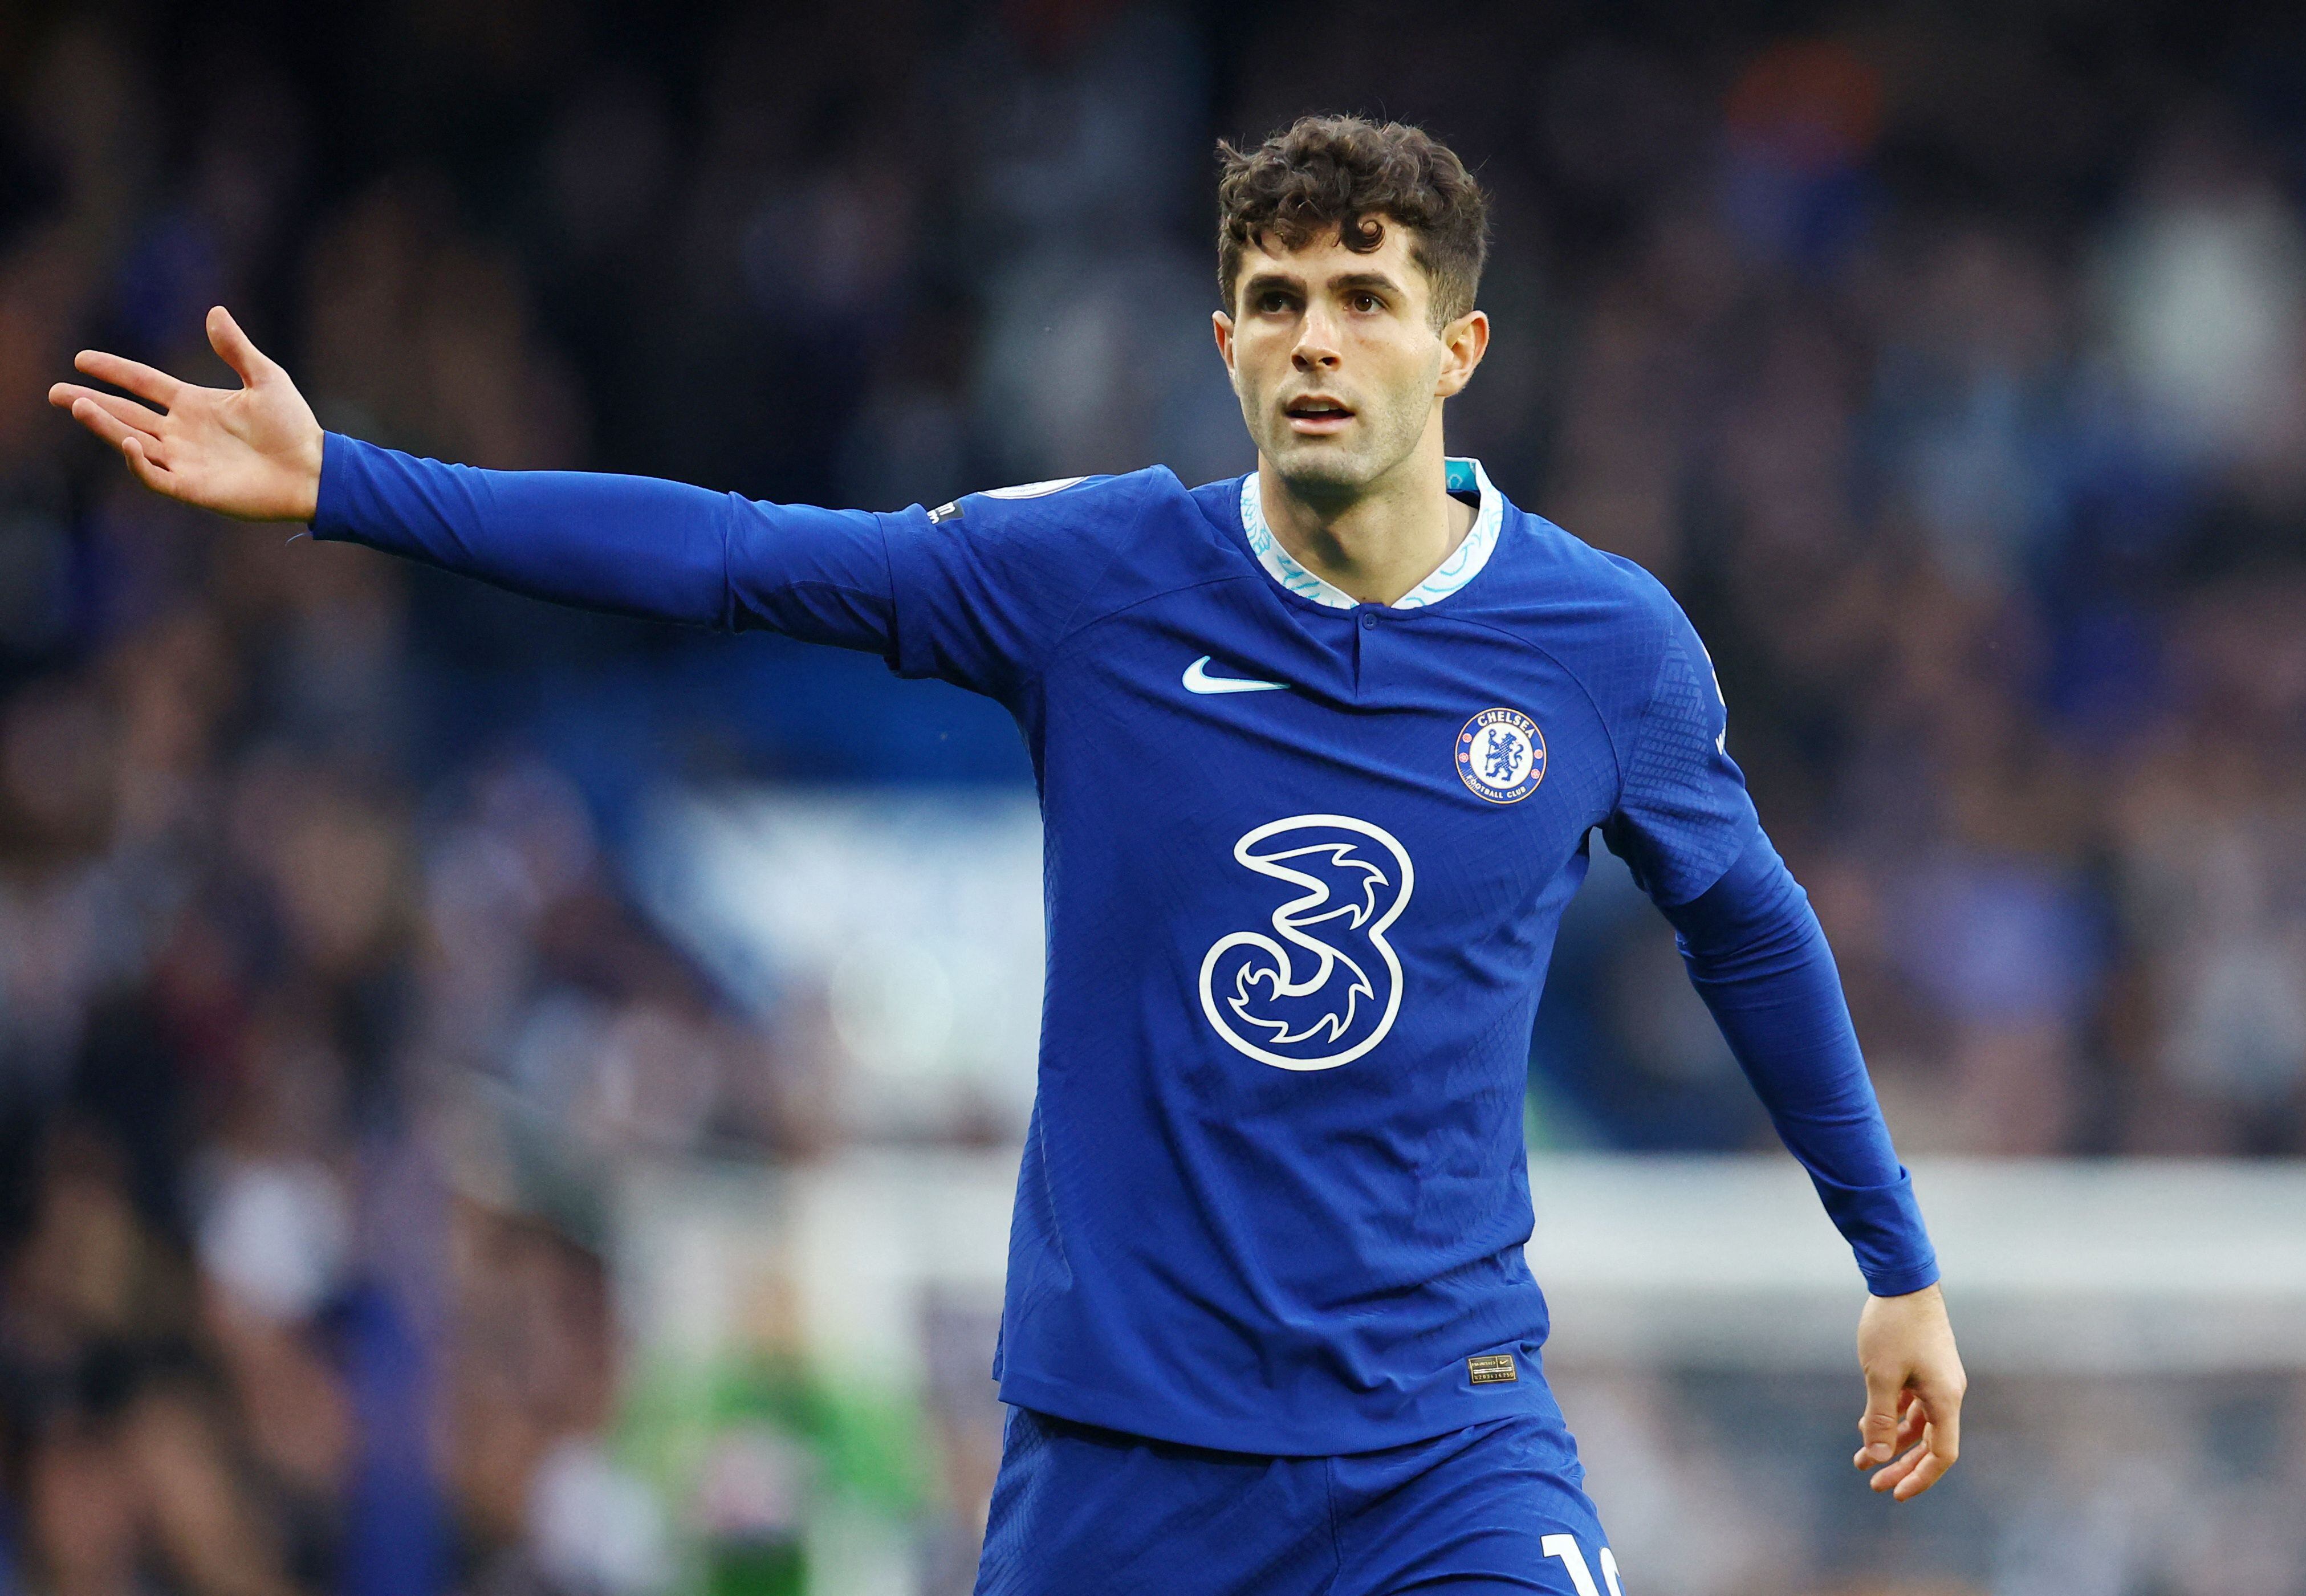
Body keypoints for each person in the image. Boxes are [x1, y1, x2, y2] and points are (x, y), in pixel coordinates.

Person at [52, 115, 1963, 1595]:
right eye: (1278, 300)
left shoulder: (1602, 647)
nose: (1318, 341)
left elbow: (1747, 927)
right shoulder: (1098, 578)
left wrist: (1891, 1260)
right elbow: (737, 554)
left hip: (1436, 1445)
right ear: (1223, 343)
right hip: (1121, 1456)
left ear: (1454, 345)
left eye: (1365, 299)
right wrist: (348, 483)